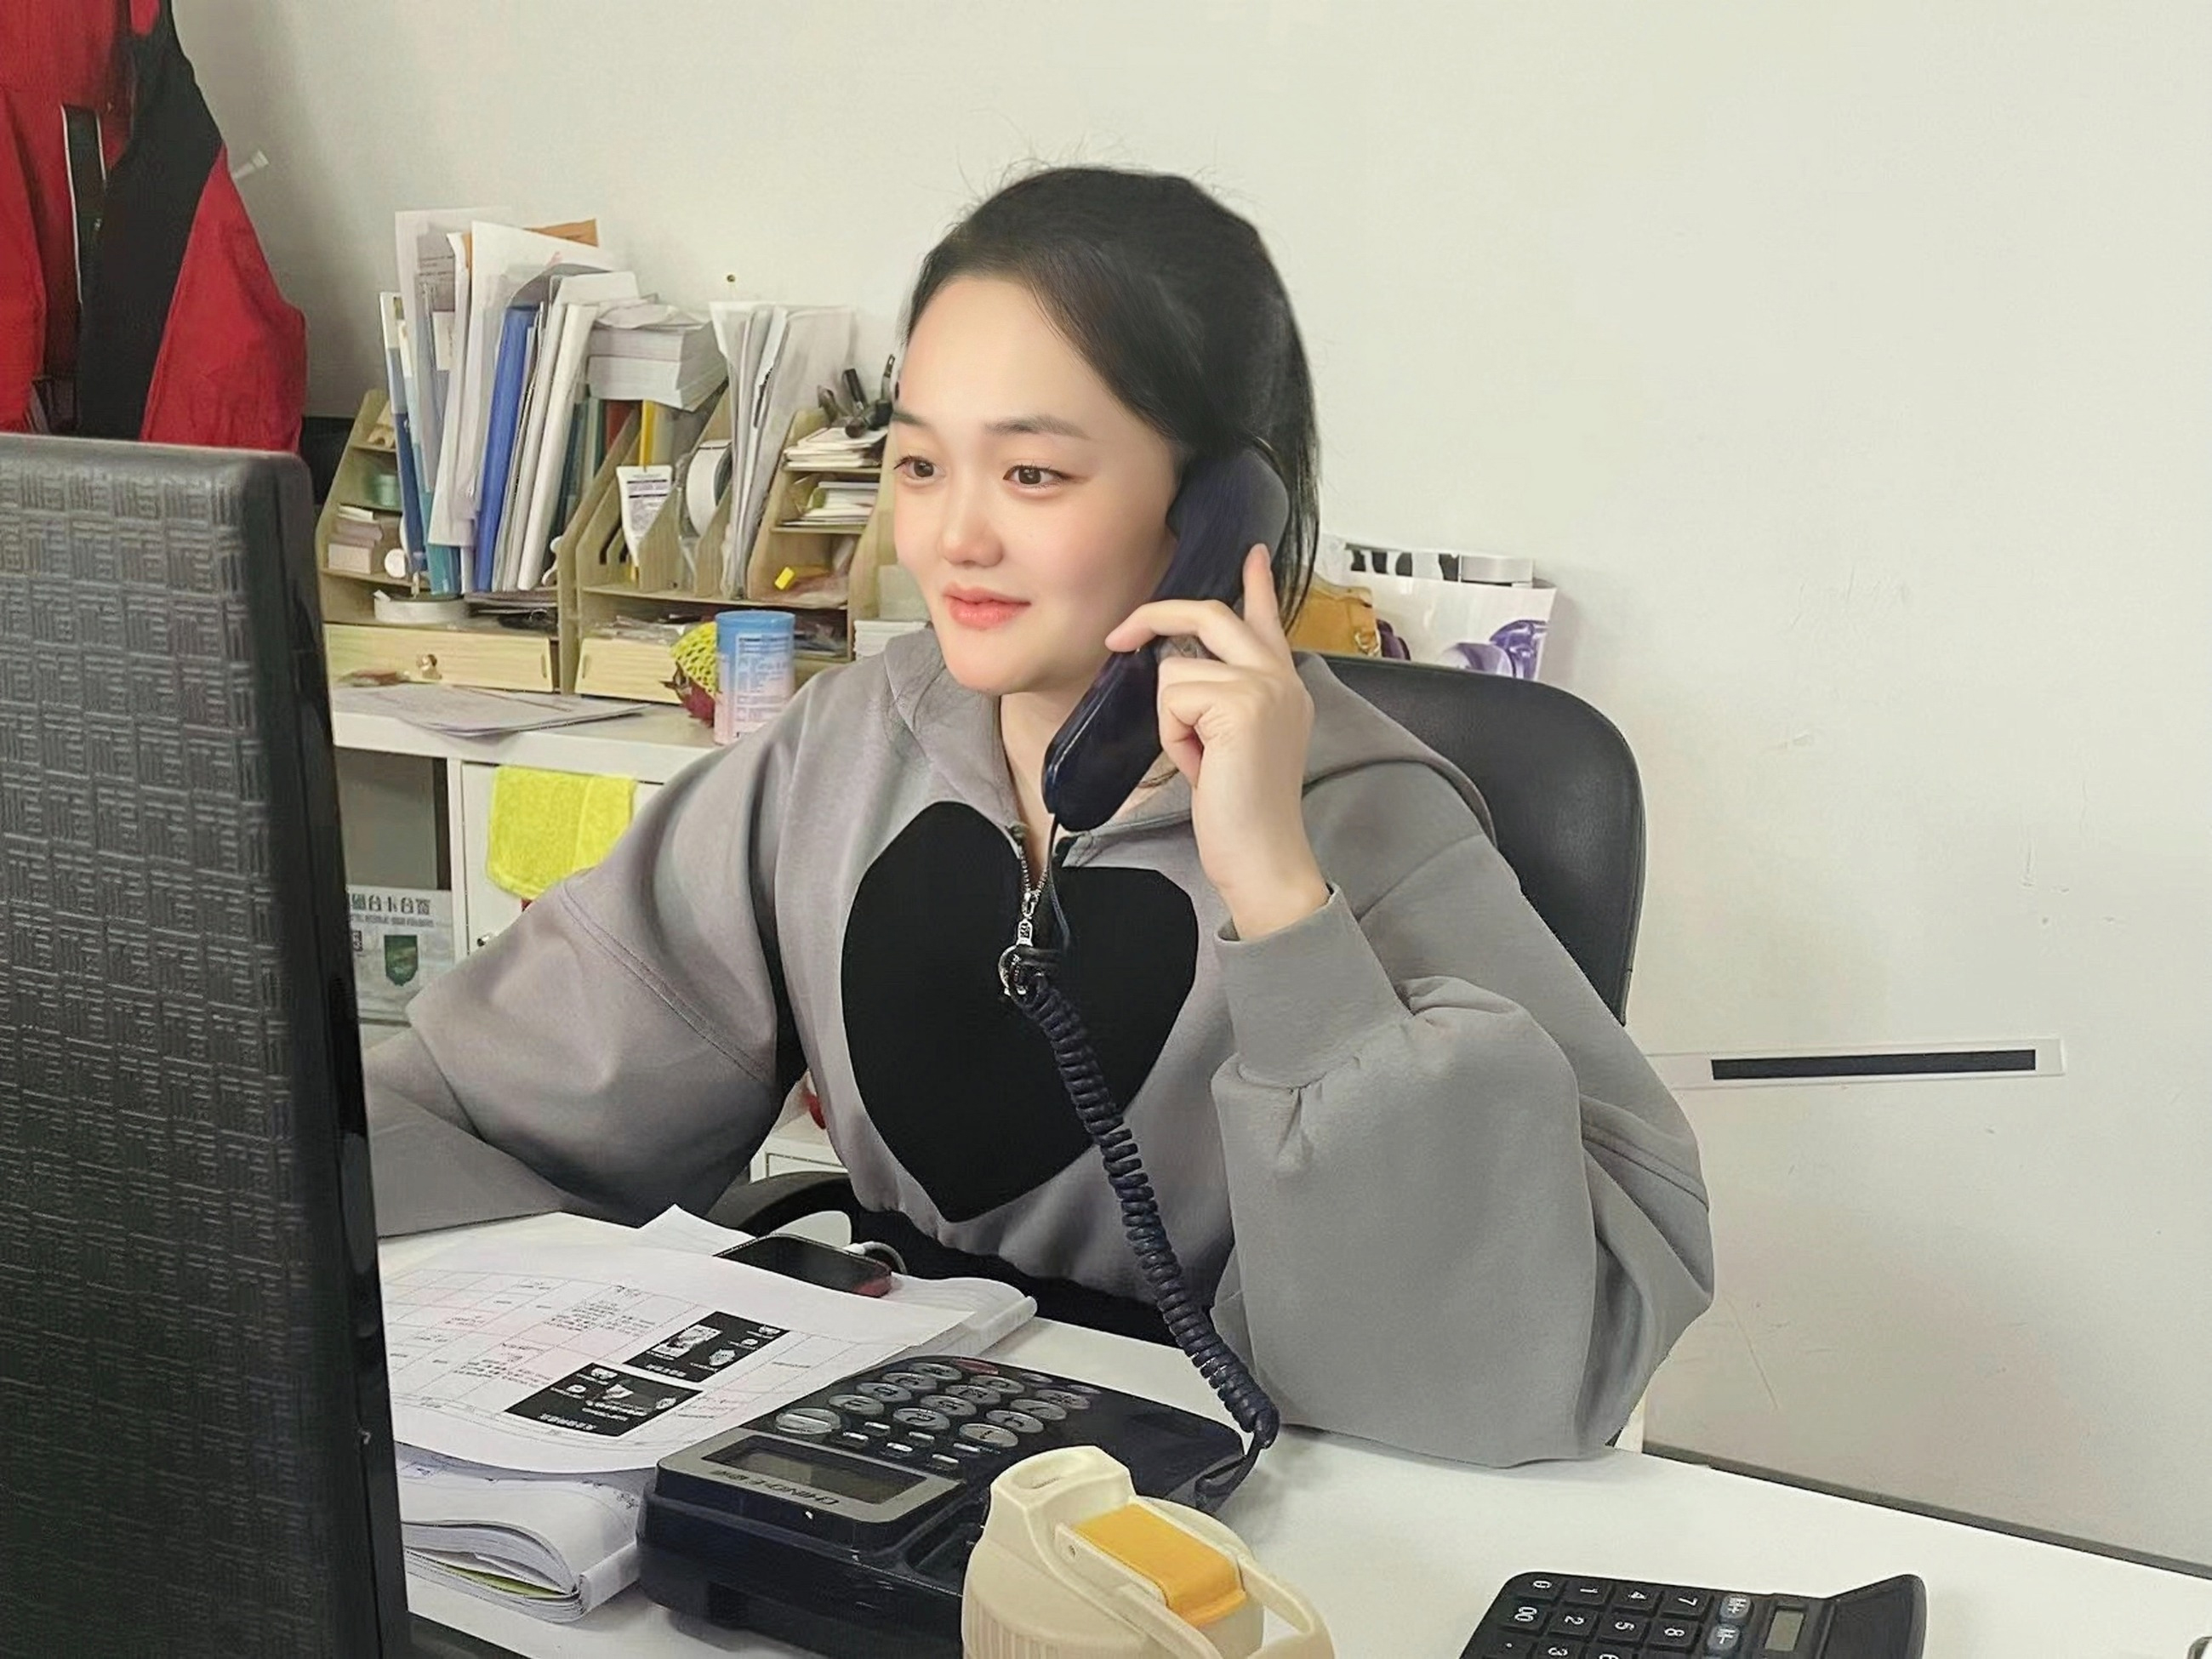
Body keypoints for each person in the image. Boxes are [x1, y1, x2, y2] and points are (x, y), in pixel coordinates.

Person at [366, 165, 1713, 1464]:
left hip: (1226, 1493)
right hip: (872, 1444)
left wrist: (1279, 896)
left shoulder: (1370, 824)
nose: (953, 538)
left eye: (1032, 476)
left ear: (1216, 509)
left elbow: (1512, 1365)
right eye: (918, 465)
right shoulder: (848, 744)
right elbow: (494, 1097)